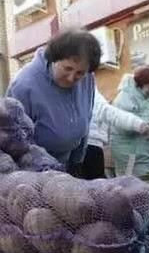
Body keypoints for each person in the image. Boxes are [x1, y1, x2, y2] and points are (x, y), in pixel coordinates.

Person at [7, 29, 101, 175]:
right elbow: (12, 140)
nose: (71, 78)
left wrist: (77, 163)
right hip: (32, 172)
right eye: (67, 68)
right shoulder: (23, 85)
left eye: (79, 73)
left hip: (67, 164)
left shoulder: (87, 79)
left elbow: (86, 121)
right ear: (53, 59)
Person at [110, 65, 149, 177]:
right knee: (136, 190)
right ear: (140, 83)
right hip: (133, 157)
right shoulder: (125, 98)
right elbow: (123, 124)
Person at [83, 87, 149, 179]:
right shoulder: (124, 97)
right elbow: (106, 111)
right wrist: (138, 124)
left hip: (91, 146)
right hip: (91, 146)